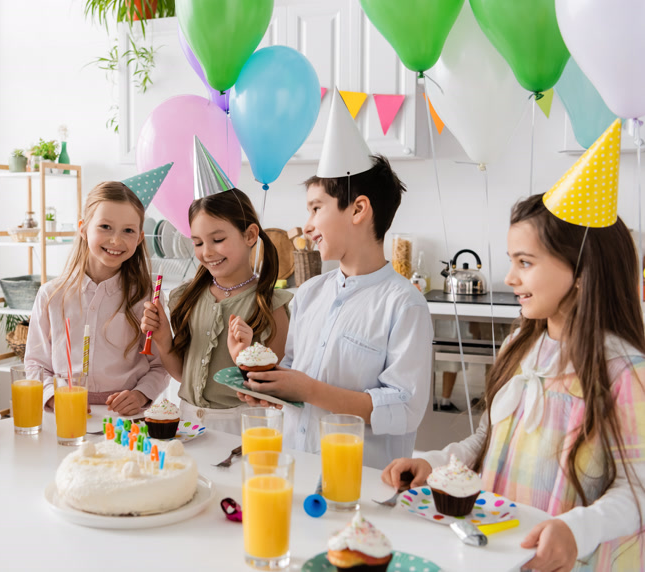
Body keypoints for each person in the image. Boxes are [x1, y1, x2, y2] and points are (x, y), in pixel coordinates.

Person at [384, 121, 645, 571]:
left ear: (581, 272)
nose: (509, 278)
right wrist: (436, 465)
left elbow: (637, 490)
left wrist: (576, 529)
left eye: (525, 263)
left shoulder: (624, 372)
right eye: (512, 261)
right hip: (502, 553)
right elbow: (487, 440)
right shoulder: (519, 349)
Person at [236, 92, 432, 469]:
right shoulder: (309, 293)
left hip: (363, 481)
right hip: (296, 466)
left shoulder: (404, 304)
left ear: (358, 209)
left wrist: (309, 390)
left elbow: (404, 408)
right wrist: (270, 389)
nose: (307, 225)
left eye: (316, 208)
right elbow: (292, 371)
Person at [139, 187, 291, 434]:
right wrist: (163, 340)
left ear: (250, 235)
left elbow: (272, 389)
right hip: (187, 421)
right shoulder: (187, 298)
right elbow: (183, 374)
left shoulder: (270, 305)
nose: (207, 252)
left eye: (218, 240)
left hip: (243, 426)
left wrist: (244, 357)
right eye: (198, 242)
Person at [25, 180, 169, 416]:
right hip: (66, 413)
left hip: (125, 418)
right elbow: (35, 362)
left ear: (140, 237)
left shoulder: (147, 297)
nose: (116, 240)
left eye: (128, 231)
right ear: (83, 229)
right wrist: (53, 397)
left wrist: (140, 394)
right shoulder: (51, 295)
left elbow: (160, 364)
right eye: (105, 226)